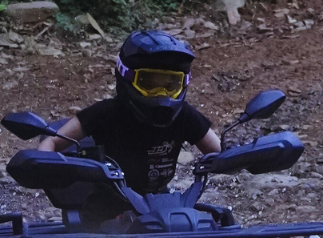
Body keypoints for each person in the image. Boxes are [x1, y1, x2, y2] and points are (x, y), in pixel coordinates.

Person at [38, 30, 221, 193]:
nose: (160, 94)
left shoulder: (183, 115)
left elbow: (221, 153)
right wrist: (42, 166)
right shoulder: (106, 113)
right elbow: (52, 142)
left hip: (158, 205)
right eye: (148, 84)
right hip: (104, 211)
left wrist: (244, 159)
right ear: (126, 77)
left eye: (170, 85)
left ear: (183, 84)